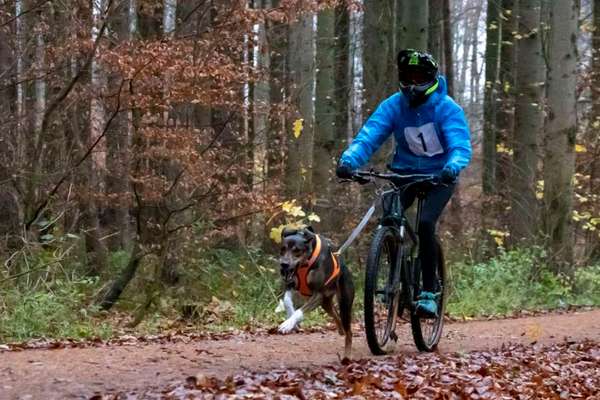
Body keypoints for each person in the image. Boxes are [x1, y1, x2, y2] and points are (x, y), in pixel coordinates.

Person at [336, 49, 472, 318]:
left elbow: (460, 145)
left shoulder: (447, 108)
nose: (412, 83)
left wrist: (452, 167)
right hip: (404, 173)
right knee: (390, 217)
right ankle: (395, 276)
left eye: (419, 77)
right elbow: (370, 136)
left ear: (431, 78)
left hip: (439, 176)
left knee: (424, 225)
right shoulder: (393, 106)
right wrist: (349, 161)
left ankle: (429, 292)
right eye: (407, 77)